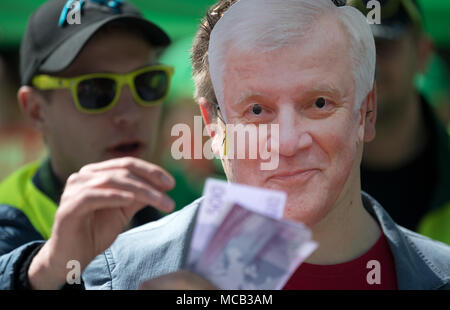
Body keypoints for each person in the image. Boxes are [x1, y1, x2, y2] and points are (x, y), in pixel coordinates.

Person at [2, 0, 450, 290]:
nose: (287, 142)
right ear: (211, 125)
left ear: (366, 112)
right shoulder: (117, 272)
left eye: (318, 102)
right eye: (256, 110)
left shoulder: (437, 273)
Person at [0, 0, 177, 268]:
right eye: (95, 90)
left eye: (147, 83)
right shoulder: (10, 220)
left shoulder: (184, 201)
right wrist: (43, 271)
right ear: (36, 110)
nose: (130, 114)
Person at [349, 0, 450, 244]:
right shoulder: (302, 175)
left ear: (423, 54)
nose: (369, 64)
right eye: (355, 47)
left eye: (383, 45)